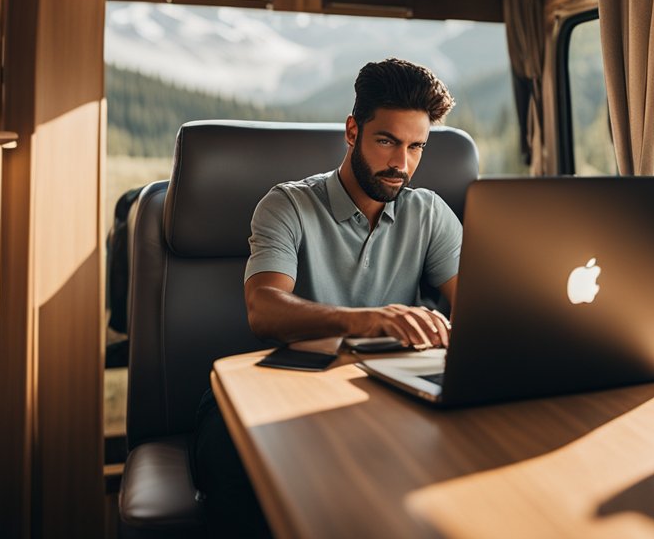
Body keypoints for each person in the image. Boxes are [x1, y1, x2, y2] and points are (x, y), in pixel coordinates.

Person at [192, 58, 461, 537]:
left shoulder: (431, 214)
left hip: (383, 396)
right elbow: (265, 309)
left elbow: (478, 311)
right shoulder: (287, 205)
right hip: (276, 396)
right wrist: (369, 319)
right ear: (353, 131)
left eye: (416, 146)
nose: (402, 163)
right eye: (387, 141)